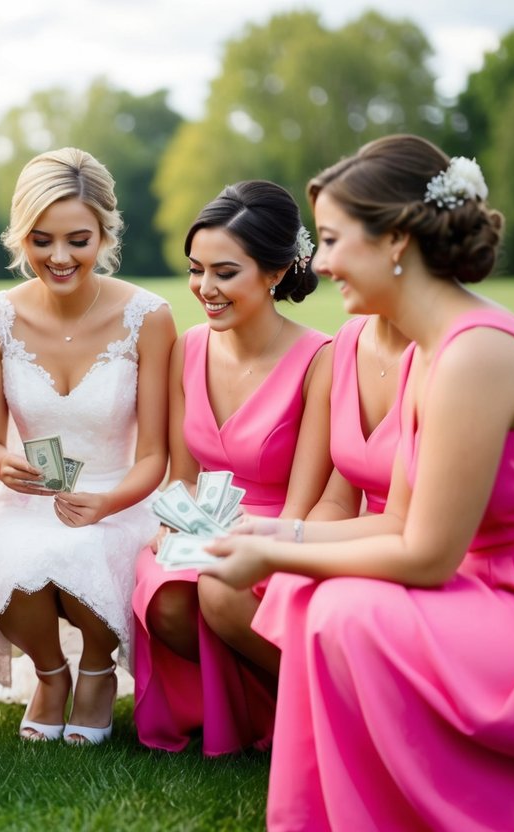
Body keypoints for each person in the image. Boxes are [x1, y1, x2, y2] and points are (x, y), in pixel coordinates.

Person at [200, 135, 514, 830]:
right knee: (320, 594)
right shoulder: (432, 345)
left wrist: (276, 555)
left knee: (345, 610)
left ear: (394, 239)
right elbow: (397, 518)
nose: (320, 260)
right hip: (502, 582)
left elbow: (425, 555)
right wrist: (279, 530)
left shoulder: (472, 354)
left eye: (332, 239)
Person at [0, 148, 175, 745]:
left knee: (91, 551)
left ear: (105, 233)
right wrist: (6, 465)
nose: (59, 257)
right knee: (4, 549)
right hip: (28, 495)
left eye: (78, 239)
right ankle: (51, 674)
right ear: (20, 237)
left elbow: (155, 455)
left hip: (119, 494)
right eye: (41, 240)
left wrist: (106, 505)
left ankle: (98, 672)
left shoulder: (148, 317)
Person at [131, 181, 330, 756]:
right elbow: (183, 475)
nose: (205, 289)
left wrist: (259, 543)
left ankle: (314, 713)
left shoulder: (321, 358)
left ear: (274, 273)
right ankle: (249, 709)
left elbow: (305, 502)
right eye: (197, 271)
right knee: (167, 597)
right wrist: (178, 522)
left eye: (224, 273)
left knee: (219, 592)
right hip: (202, 526)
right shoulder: (188, 347)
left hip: (282, 528)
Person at [304, 312, 409, 521]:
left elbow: (408, 528)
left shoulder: (447, 359)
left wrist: (292, 536)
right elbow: (337, 502)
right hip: (365, 537)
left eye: (226, 275)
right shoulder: (348, 340)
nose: (326, 276)